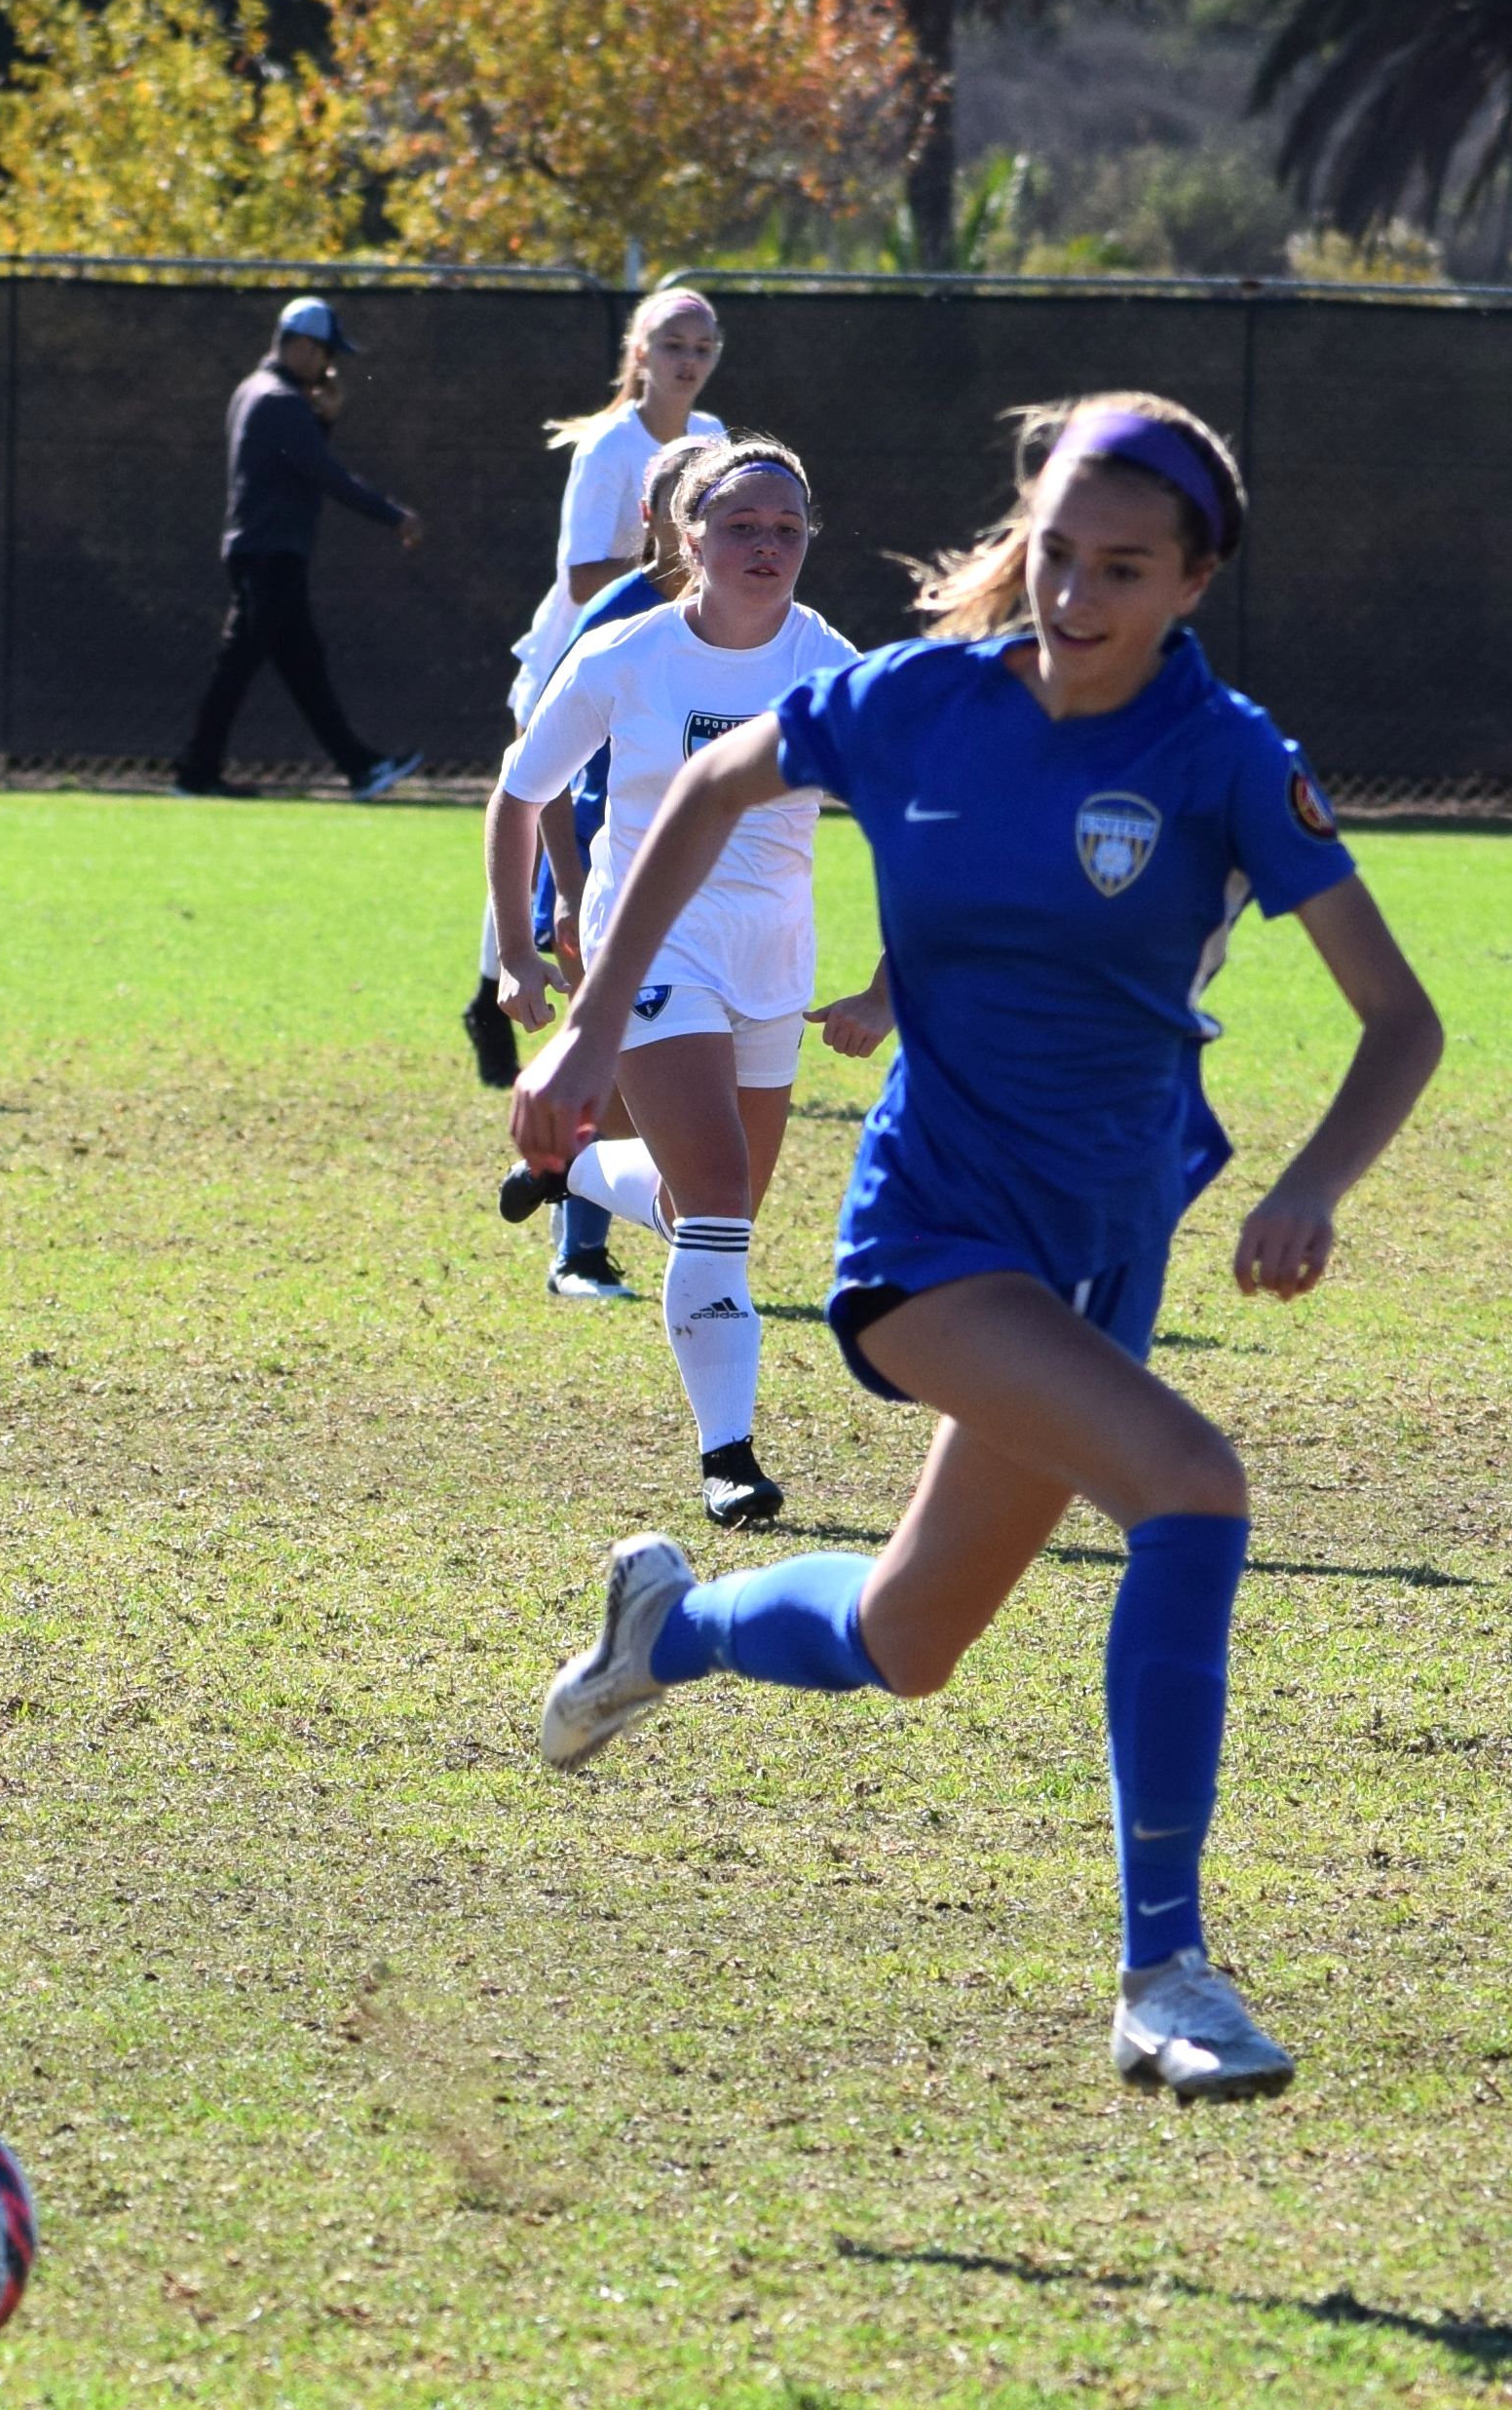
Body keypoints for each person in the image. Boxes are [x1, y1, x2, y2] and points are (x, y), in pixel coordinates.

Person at [518, 393, 1441, 2101]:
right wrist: (584, 1037)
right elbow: (710, 787)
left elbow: (1401, 1021)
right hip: (935, 1241)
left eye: (1126, 570)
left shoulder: (1226, 753)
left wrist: (1311, 1183)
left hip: (1107, 1254)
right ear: (1029, 533)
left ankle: (671, 1630)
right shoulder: (921, 704)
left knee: (903, 1636)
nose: (1080, 597)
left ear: (1196, 577)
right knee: (1195, 1484)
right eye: (1063, 556)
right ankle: (1165, 1970)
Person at [488, 438, 891, 1524]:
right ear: (688, 536)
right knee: (717, 1208)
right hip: (650, 952)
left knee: (700, 1211)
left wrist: (887, 987)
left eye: (787, 531)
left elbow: (920, 829)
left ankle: (573, 1174)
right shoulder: (624, 655)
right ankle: (730, 1459)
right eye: (742, 526)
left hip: (775, 963)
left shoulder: (833, 668)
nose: (766, 546)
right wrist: (522, 952)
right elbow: (521, 795)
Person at [472, 432, 720, 1304]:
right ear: (659, 520)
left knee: (650, 1081)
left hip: (711, 895)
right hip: (599, 870)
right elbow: (533, 773)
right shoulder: (616, 617)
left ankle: (561, 1173)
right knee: (605, 1057)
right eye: (694, 503)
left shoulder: (749, 620)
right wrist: (567, 897)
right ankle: (579, 1252)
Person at [465, 290, 726, 1086]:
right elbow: (580, 575)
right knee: (537, 807)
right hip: (576, 654)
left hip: (660, 652)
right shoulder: (610, 447)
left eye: (703, 347)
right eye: (673, 344)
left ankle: (653, 1005)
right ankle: (497, 986)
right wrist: (678, 567)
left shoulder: (714, 439)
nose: (688, 360)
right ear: (639, 351)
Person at [172, 294, 428, 801]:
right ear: (305, 348)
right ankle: (194, 774)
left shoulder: (253, 390)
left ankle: (360, 768)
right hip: (271, 554)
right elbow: (325, 474)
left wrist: (324, 420)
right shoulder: (280, 401)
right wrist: (394, 516)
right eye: (327, 354)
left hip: (261, 550)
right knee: (240, 665)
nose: (329, 366)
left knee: (301, 667)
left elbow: (298, 461)